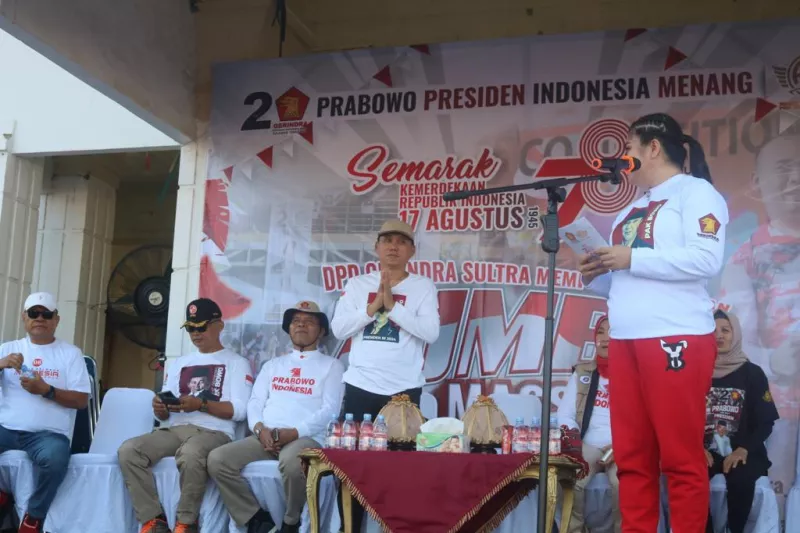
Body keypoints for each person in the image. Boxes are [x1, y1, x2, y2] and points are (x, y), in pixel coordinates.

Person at [578, 112, 729, 533]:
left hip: (675, 336)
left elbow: (706, 259)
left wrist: (632, 257)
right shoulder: (630, 208)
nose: (624, 157)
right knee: (631, 458)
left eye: (629, 148)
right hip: (625, 340)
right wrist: (596, 273)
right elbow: (626, 282)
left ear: (653, 148)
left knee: (680, 458)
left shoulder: (696, 193)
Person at [330, 218, 440, 533]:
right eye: (387, 240)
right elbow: (338, 329)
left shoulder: (422, 287)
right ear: (376, 247)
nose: (394, 246)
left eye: (402, 241)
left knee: (402, 470)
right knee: (351, 466)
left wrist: (393, 307)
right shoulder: (357, 285)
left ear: (412, 251)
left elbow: (431, 333)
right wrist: (373, 307)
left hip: (403, 392)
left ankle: (396, 527)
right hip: (360, 386)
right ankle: (349, 528)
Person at [118, 298, 253, 533]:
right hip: (175, 429)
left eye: (201, 327)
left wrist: (201, 404)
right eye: (191, 328)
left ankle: (186, 522)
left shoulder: (237, 363)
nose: (195, 333)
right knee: (129, 450)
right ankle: (153, 520)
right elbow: (163, 414)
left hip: (214, 431)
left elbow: (240, 410)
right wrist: (160, 408)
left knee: (191, 453)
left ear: (219, 325)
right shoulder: (181, 362)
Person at [208, 301, 344, 533]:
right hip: (267, 436)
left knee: (292, 463)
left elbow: (331, 410)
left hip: (306, 437)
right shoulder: (273, 365)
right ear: (288, 328)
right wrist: (260, 429)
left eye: (309, 321)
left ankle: (291, 522)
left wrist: (295, 432)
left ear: (321, 331)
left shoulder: (332, 366)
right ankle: (256, 519)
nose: (301, 325)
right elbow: (255, 402)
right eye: (296, 321)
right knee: (217, 459)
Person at [0, 292, 91, 533]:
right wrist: (1, 364)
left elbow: (81, 400)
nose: (40, 318)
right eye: (34, 313)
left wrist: (47, 390)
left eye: (46, 314)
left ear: (56, 320)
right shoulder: (8, 349)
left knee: (55, 459)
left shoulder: (70, 354)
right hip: (6, 428)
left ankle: (34, 516)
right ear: (24, 317)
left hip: (47, 434)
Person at [703, 309, 779, 533]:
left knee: (740, 479)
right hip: (704, 451)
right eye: (713, 331)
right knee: (691, 476)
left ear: (735, 334)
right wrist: (696, 448)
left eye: (725, 330)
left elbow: (766, 422)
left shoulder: (752, 373)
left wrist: (743, 449)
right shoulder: (697, 372)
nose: (719, 336)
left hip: (744, 450)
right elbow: (682, 418)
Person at [558, 315, 620, 533]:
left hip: (623, 446)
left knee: (624, 484)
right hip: (589, 443)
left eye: (611, 332)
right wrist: (575, 444)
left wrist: (623, 446)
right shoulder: (583, 372)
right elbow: (565, 415)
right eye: (600, 332)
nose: (605, 338)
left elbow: (645, 420)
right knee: (571, 480)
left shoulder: (636, 374)